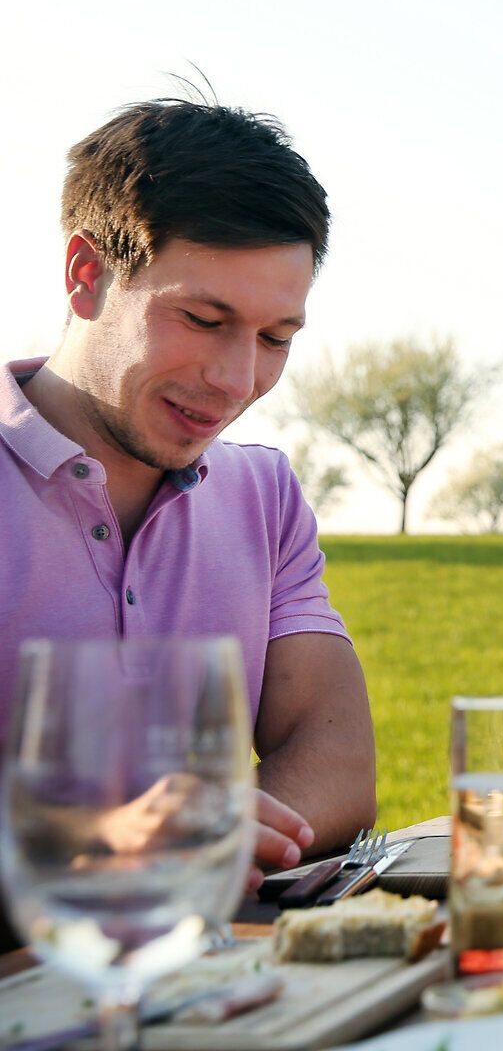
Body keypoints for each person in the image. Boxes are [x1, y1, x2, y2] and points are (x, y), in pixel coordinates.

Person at [0, 98, 377, 888]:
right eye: (205, 320)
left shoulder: (263, 494)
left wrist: (206, 839)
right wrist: (104, 852)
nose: (238, 381)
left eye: (277, 338)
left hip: (215, 988)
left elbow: (335, 759)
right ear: (86, 274)